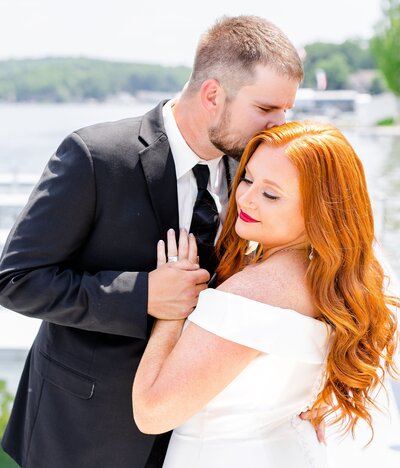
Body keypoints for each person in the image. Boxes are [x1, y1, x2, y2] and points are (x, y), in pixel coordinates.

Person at [0, 15, 304, 468]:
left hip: (197, 438)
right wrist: (143, 295)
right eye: (266, 110)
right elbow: (16, 279)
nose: (278, 127)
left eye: (287, 111)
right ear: (213, 95)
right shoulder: (95, 157)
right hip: (83, 436)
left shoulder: (254, 174)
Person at [132, 120, 399, 468]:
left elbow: (152, 413)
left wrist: (171, 312)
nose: (246, 198)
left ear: (319, 210)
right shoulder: (335, 282)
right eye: (247, 178)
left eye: (271, 194)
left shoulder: (250, 295)